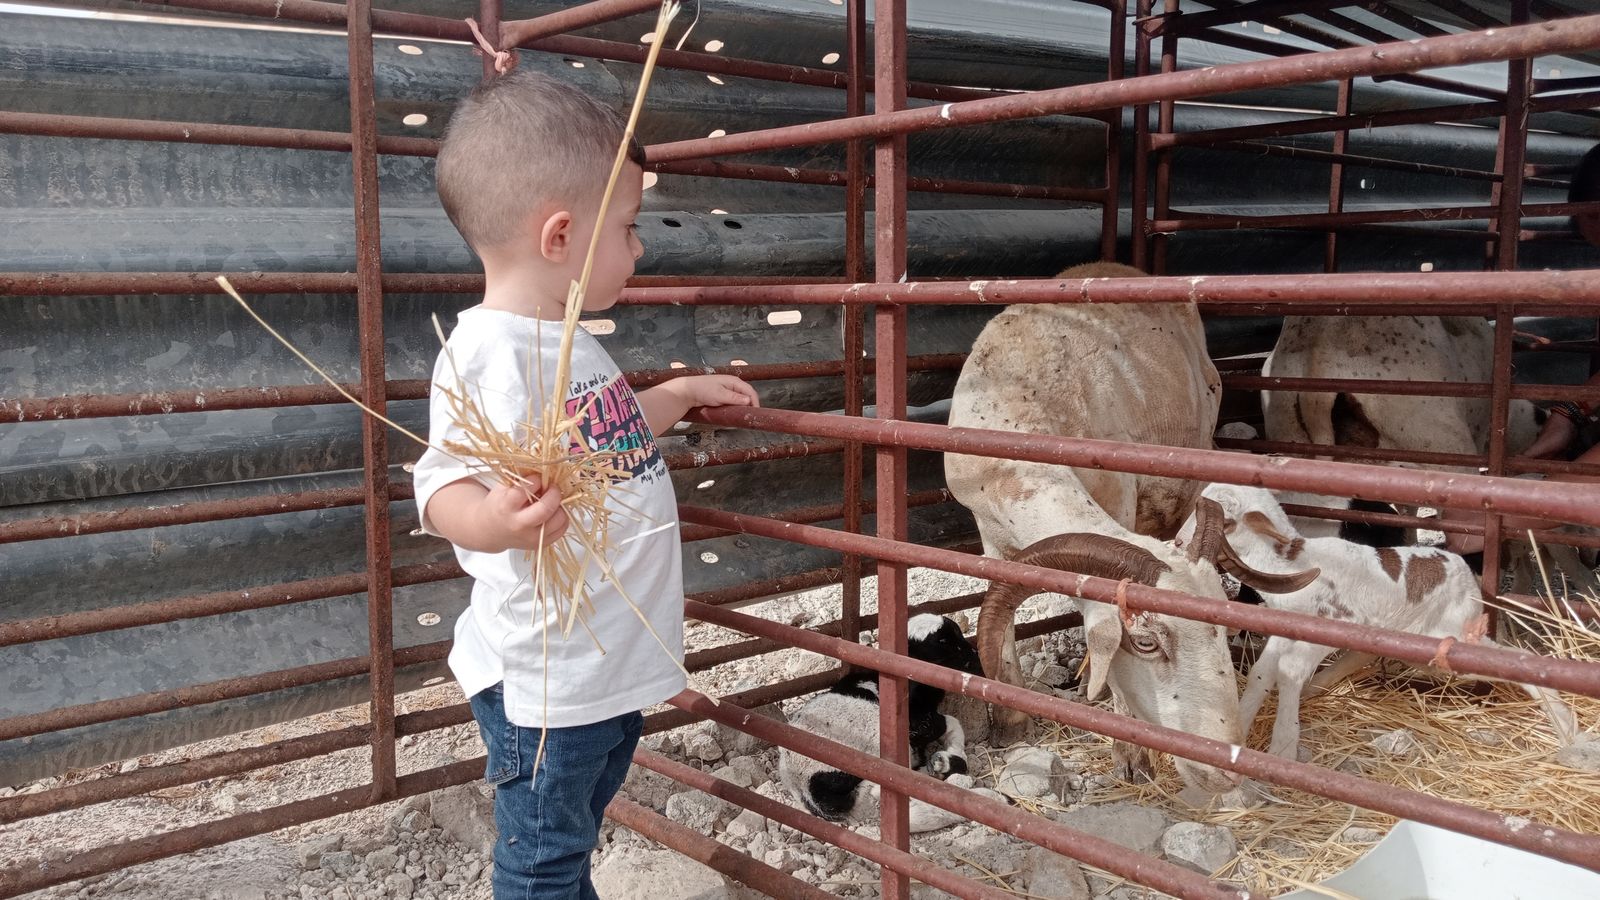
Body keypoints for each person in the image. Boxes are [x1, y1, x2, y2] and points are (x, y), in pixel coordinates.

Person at [411, 70, 759, 899]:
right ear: (560, 236)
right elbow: (437, 488)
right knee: (544, 854)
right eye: (631, 228)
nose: (640, 248)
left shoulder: (565, 340)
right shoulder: (487, 355)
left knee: (574, 828)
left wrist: (671, 397)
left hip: (602, 671)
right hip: (547, 680)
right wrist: (493, 521)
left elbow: (594, 437)